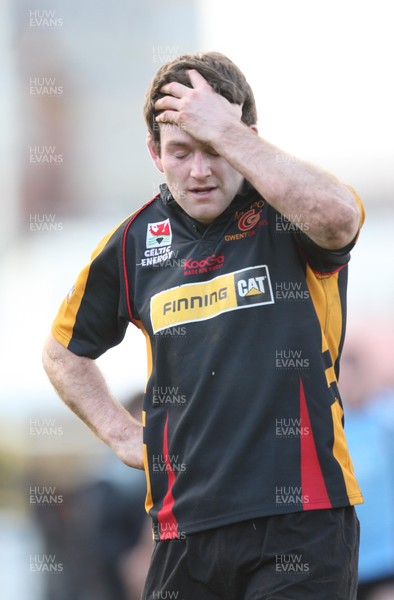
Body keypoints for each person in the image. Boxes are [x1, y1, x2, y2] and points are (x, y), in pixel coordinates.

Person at [42, 51, 365, 600]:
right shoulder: (133, 243)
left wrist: (227, 129)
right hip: (183, 531)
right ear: (154, 153)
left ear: (246, 137)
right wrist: (123, 435)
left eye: (214, 148)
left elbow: (339, 220)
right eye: (181, 151)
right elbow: (62, 354)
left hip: (302, 518)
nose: (199, 171)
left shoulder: (290, 209)